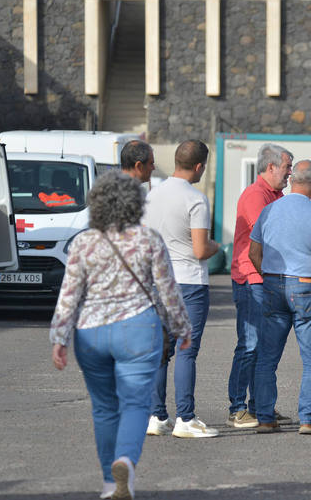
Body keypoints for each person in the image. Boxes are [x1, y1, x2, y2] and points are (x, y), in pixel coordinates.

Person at [49, 171, 192, 500]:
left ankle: (109, 484)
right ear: (136, 203)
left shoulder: (83, 242)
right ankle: (125, 460)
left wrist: (59, 338)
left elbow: (69, 294)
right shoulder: (148, 239)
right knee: (136, 404)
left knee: (103, 408)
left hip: (91, 333)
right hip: (138, 329)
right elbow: (168, 292)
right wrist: (182, 328)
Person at [248, 160, 311, 435]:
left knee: (267, 356)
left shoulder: (269, 210)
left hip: (273, 283)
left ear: (291, 181)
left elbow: (253, 252)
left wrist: (268, 276)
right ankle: (308, 418)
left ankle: (264, 417)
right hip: (306, 286)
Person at [143, 140, 220, 438]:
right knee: (186, 350)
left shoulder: (151, 195)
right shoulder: (196, 199)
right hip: (188, 281)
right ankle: (185, 418)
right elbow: (200, 250)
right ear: (199, 166)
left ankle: (156, 416)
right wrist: (219, 247)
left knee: (160, 351)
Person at [228, 143, 294, 428]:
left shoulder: (276, 195)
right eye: (287, 167)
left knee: (264, 347)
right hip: (251, 279)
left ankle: (260, 405)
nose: (290, 173)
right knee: (250, 344)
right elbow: (270, 238)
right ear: (270, 167)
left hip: (266, 279)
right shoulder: (256, 195)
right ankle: (237, 407)